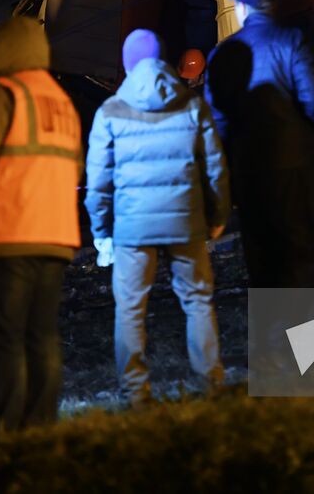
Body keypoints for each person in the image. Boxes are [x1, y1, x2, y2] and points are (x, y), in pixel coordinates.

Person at [0, 16, 82, 431]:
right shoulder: (62, 102)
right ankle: (41, 419)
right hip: (56, 234)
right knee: (42, 334)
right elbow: (75, 167)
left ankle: (7, 420)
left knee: (4, 334)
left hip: (9, 231)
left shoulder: (3, 94)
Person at [85, 29, 230, 405]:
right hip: (185, 221)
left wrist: (102, 232)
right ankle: (212, 384)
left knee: (130, 308)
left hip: (132, 228)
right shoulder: (191, 106)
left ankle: (135, 393)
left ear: (128, 64)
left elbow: (98, 181)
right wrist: (218, 214)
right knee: (198, 301)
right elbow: (215, 166)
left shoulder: (110, 112)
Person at [205, 0, 314, 289]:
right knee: (300, 238)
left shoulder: (222, 54)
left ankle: (269, 316)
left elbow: (215, 119)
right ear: (270, 7)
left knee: (259, 242)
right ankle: (298, 314)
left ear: (241, 7)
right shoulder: (291, 40)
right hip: (292, 159)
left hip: (247, 164)